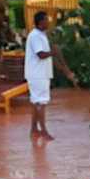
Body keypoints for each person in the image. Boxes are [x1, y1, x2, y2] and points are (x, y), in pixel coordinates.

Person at [23, 10, 55, 140]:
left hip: (41, 73)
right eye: (47, 20)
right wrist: (53, 52)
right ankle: (43, 130)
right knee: (41, 103)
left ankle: (34, 128)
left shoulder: (41, 35)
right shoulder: (35, 36)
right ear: (41, 22)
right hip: (37, 74)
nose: (49, 22)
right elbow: (40, 54)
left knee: (36, 101)